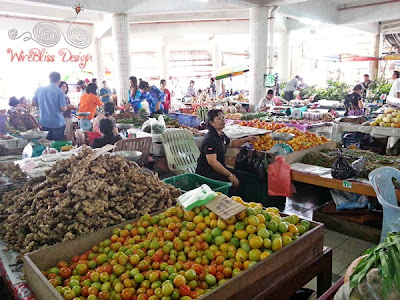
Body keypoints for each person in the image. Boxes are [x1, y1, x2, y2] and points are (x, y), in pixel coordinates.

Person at [196, 110, 258, 194]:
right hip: (207, 173)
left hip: (217, 169)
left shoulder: (220, 135)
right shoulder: (210, 139)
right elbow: (212, 162)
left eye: (223, 118)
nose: (223, 120)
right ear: (211, 123)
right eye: (219, 119)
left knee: (243, 177)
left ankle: (241, 202)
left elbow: (231, 143)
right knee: (234, 181)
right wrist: (229, 175)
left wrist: (246, 139)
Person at [32, 72, 67, 141]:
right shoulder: (59, 92)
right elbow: (63, 108)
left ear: (49, 79)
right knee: (57, 146)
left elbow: (33, 103)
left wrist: (43, 106)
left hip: (44, 122)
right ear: (58, 80)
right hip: (57, 123)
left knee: (46, 144)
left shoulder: (40, 89)